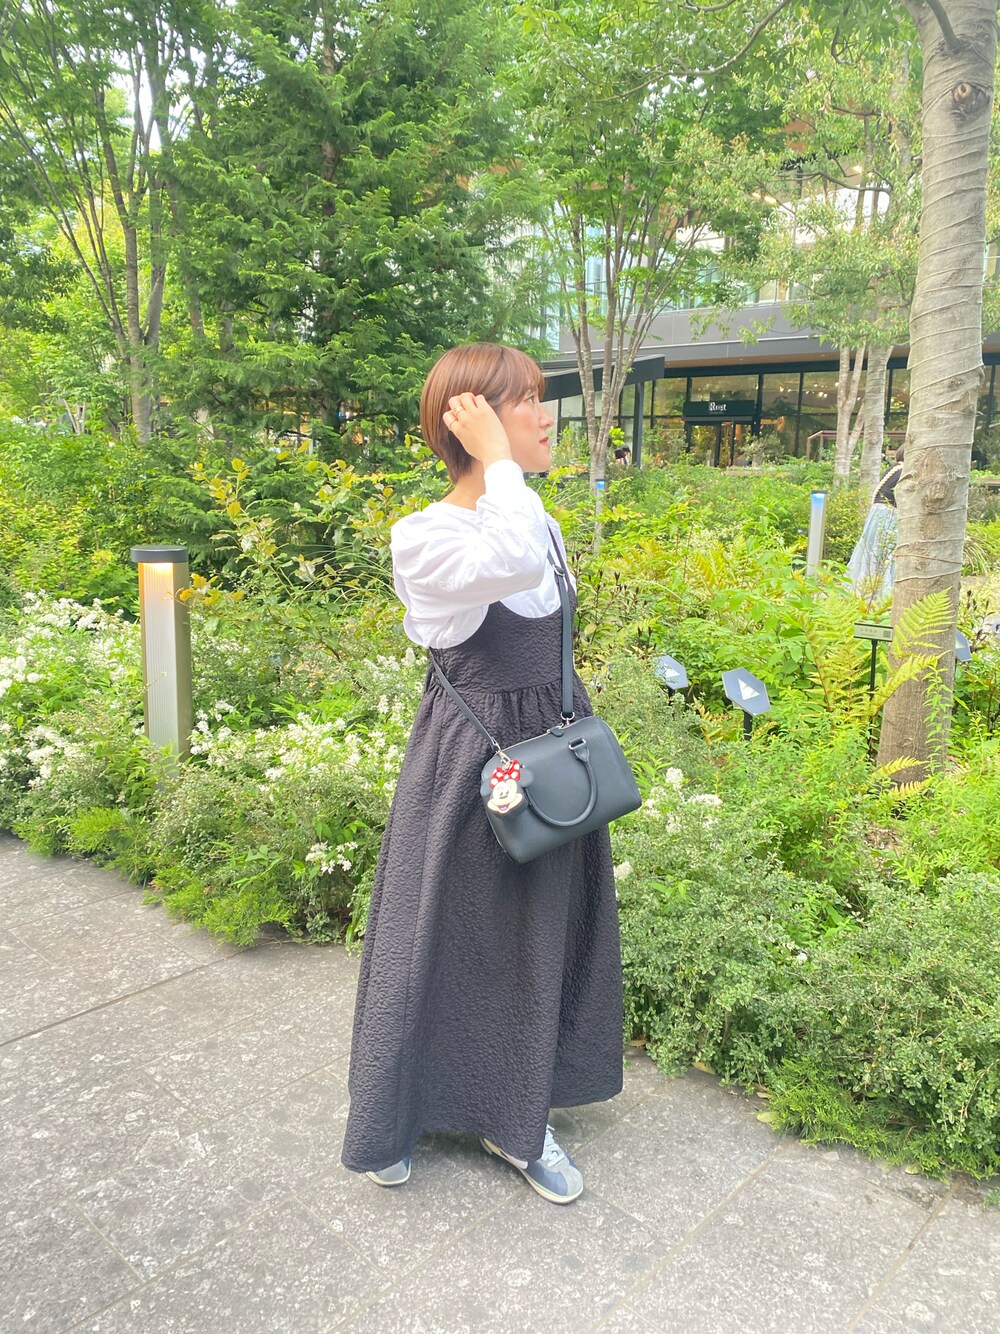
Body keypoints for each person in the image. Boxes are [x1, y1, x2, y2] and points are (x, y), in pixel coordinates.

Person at [341, 343, 624, 1205]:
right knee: (442, 932)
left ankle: (518, 1118)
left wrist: (505, 469)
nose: (545, 417)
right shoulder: (426, 536)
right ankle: (398, 1113)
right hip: (472, 764)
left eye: (541, 399)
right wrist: (499, 463)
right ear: (473, 422)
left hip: (551, 761)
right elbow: (510, 565)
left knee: (533, 937)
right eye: (526, 401)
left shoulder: (534, 517)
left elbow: (534, 574)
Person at [846, 444, 904, 607]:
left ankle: (867, 590)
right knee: (885, 553)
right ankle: (881, 594)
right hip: (888, 515)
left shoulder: (894, 469)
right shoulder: (903, 471)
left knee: (872, 551)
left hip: (878, 513)